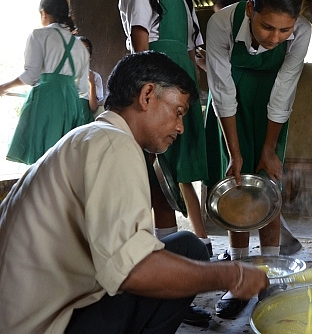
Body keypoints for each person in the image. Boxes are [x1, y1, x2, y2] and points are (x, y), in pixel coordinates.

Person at [0, 51, 269, 334]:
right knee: (169, 263)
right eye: (178, 112)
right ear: (147, 95)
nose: (179, 127)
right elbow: (133, 269)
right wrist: (232, 274)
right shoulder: (114, 145)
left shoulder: (91, 136)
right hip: (39, 325)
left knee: (188, 247)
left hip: (25, 310)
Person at [205, 0, 311, 318]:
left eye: (284, 29)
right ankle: (238, 277)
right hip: (229, 109)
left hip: (271, 109)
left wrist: (269, 147)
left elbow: (284, 88)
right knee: (237, 186)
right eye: (267, 27)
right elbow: (222, 87)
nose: (276, 38)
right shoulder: (221, 24)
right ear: (251, 9)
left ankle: (270, 276)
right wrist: (235, 152)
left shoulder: (302, 32)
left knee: (267, 185)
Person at [118, 0, 214, 326]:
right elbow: (139, 41)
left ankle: (195, 249)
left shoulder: (185, 3)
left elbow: (192, 51)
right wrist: (146, 90)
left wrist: (200, 85)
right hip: (156, 82)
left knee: (183, 169)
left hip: (181, 83)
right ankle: (166, 275)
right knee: (158, 177)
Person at [0, 0, 89, 165]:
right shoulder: (80, 47)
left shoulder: (39, 35)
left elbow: (31, 76)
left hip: (47, 102)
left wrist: (4, 87)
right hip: (72, 106)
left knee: (41, 161)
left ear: (43, 13)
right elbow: (83, 88)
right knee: (61, 162)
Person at [78, 36, 104, 122]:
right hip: (68, 115)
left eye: (86, 50)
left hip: (84, 118)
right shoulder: (66, 76)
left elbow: (93, 108)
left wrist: (92, 84)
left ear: (90, 56)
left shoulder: (95, 77)